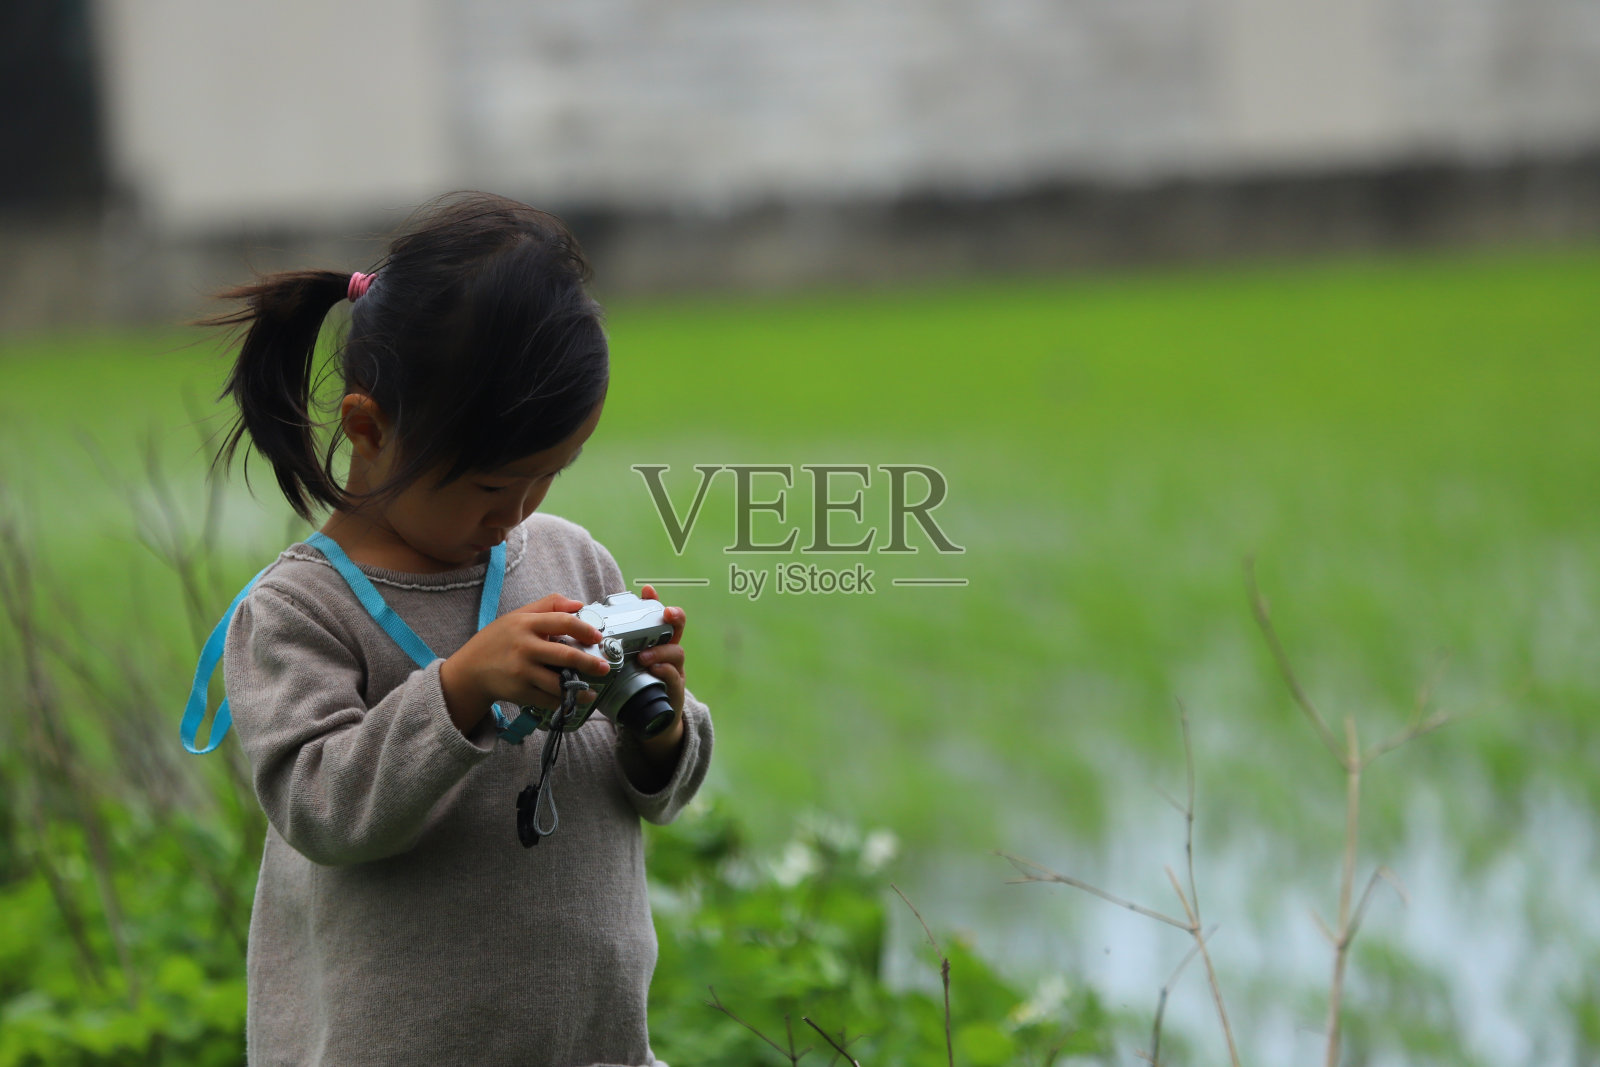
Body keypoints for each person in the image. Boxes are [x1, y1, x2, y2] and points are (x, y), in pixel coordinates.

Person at [187, 192, 713, 1067]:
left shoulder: (572, 560)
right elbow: (320, 807)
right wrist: (460, 688)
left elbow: (655, 789)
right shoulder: (300, 611)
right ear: (369, 428)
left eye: (548, 475)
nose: (518, 513)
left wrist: (657, 726)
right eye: (491, 486)